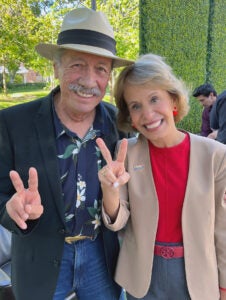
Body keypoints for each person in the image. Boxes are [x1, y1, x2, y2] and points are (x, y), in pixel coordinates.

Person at [0, 7, 134, 300]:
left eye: (101, 69)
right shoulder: (12, 124)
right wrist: (14, 211)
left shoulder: (119, 126)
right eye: (76, 65)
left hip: (102, 257)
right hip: (40, 261)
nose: (88, 81)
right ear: (56, 69)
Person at [96, 53, 226, 300]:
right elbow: (118, 220)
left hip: (197, 278)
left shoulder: (216, 156)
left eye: (154, 99)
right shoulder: (127, 153)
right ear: (130, 119)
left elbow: (224, 229)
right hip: (143, 277)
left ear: (174, 101)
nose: (147, 114)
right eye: (135, 106)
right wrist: (110, 189)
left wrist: (224, 287)